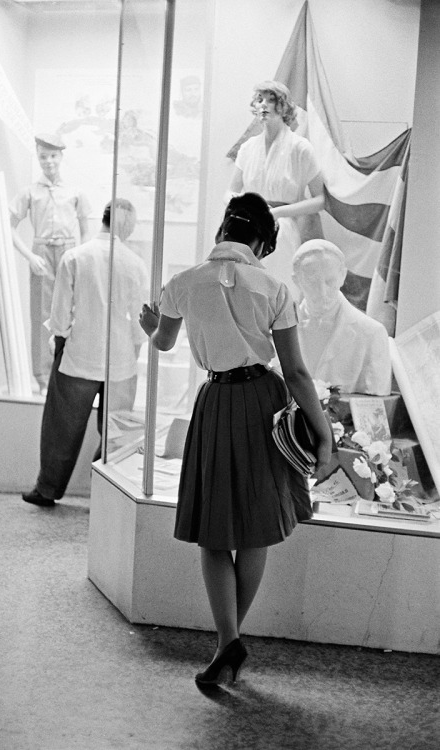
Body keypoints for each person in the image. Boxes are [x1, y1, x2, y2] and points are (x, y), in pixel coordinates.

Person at [139, 192, 332, 685]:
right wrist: (325, 437)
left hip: (216, 401)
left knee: (213, 528)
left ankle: (228, 643)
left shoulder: (182, 283)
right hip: (265, 402)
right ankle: (229, 643)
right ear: (262, 241)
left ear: (223, 230)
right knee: (256, 526)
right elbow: (296, 372)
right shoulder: (273, 288)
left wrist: (149, 327)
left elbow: (163, 342)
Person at [22, 198, 148, 507]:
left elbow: (61, 315)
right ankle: (108, 494)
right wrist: (133, 351)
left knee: (61, 429)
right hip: (120, 359)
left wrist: (61, 339)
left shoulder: (75, 257)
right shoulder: (135, 263)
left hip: (79, 354)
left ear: (102, 219)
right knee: (116, 432)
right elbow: (139, 321)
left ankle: (48, 489)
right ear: (127, 227)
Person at [9, 133, 91, 393]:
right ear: (38, 157)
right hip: (42, 251)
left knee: (70, 311)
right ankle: (43, 375)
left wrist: (79, 254)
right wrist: (30, 256)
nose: (49, 162)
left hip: (68, 251)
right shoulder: (30, 192)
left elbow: (86, 228)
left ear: (61, 157)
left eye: (53, 156)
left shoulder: (74, 192)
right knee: (42, 313)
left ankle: (67, 371)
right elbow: (8, 226)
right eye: (43, 157)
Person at [228, 81, 325, 295]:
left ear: (283, 107)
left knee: (278, 289)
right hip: (248, 228)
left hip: (282, 230)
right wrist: (239, 210)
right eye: (260, 100)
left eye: (271, 100)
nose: (264, 105)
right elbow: (232, 191)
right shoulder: (248, 148)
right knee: (246, 289)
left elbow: (320, 200)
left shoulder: (300, 148)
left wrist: (278, 212)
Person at [292, 239, 392, 395]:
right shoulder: (279, 330)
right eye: (312, 281)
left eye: (329, 281)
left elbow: (376, 408)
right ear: (296, 280)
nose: (322, 292)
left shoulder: (371, 333)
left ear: (342, 276)